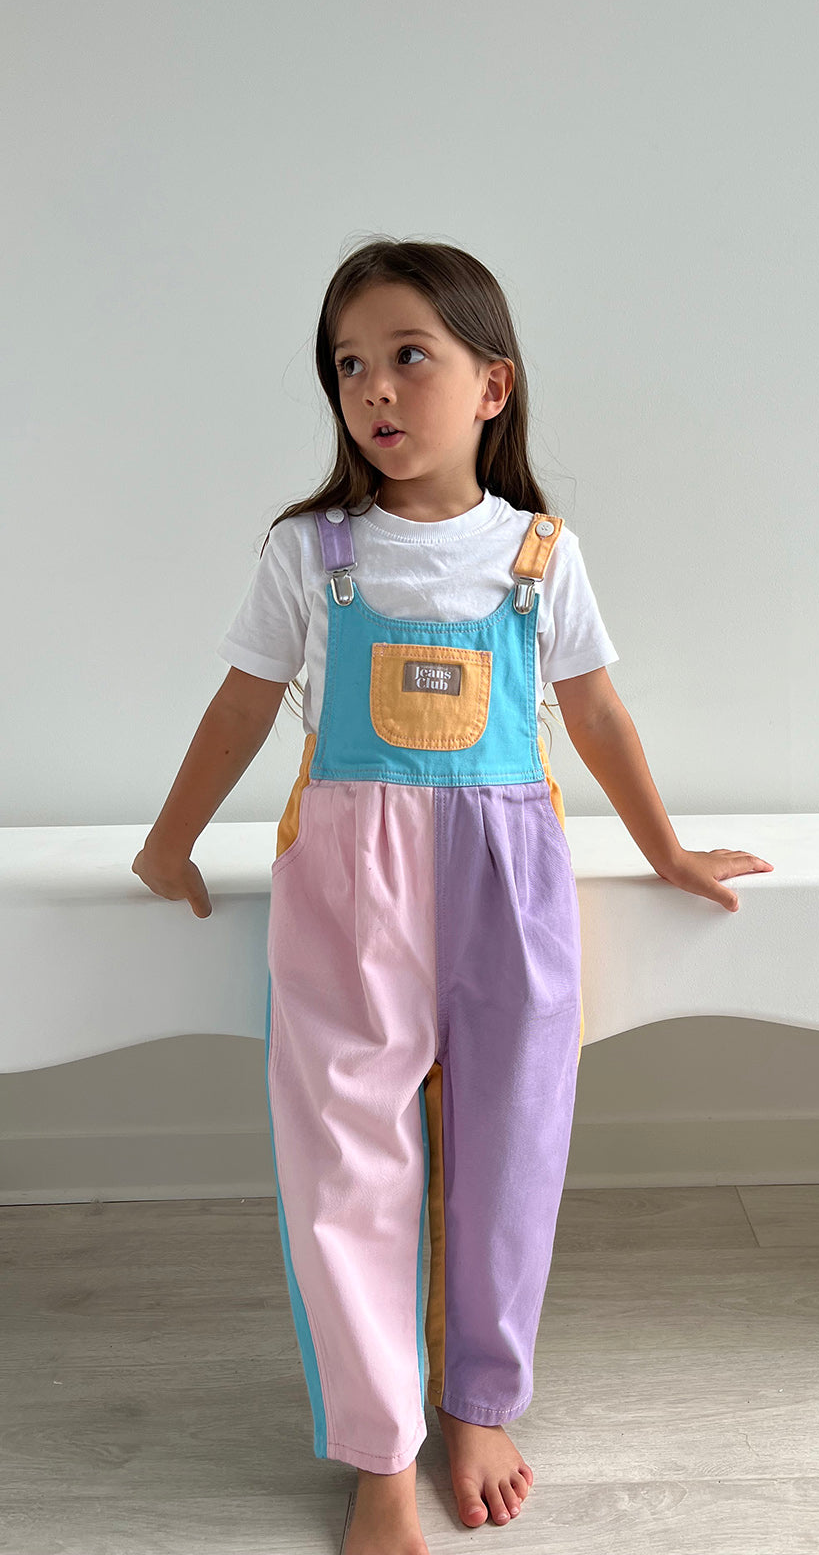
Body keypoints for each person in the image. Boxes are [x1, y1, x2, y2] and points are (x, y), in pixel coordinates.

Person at [132, 236, 773, 1555]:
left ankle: (479, 1400)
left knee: (510, 1144)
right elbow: (244, 706)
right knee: (345, 1162)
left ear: (493, 385)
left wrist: (665, 851)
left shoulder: (540, 555)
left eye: (407, 357)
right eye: (349, 365)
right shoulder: (312, 555)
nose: (374, 389)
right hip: (349, 891)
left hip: (509, 880)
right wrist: (169, 841)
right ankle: (379, 1448)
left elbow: (593, 712)